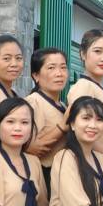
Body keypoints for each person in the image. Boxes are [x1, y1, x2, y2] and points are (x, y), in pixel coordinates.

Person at [68, 29, 103, 162]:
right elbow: (80, 135)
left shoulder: (99, 88)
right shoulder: (83, 87)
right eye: (97, 51)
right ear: (83, 54)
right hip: (89, 164)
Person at [26, 47, 70, 187]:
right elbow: (33, 148)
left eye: (63, 67)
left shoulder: (63, 105)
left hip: (63, 173)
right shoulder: (33, 102)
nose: (59, 73)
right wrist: (63, 126)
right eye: (51, 68)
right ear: (36, 76)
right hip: (44, 175)